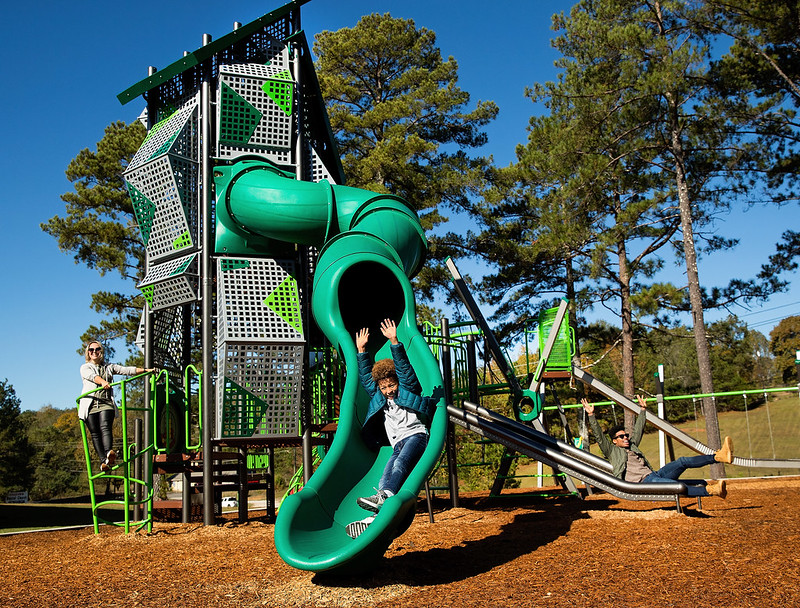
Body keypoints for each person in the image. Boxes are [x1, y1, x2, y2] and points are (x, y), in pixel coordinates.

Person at [346, 319, 435, 539]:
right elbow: (367, 378)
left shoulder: (407, 390)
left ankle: (384, 498)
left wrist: (394, 341)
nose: (388, 391)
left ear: (398, 383)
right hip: (397, 442)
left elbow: (404, 371)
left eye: (391, 385)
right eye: (384, 387)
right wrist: (361, 350)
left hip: (416, 436)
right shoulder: (379, 397)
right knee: (385, 476)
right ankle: (375, 520)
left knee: (401, 465)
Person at [581, 395, 734, 498]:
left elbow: (639, 429)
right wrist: (591, 415)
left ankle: (718, 456)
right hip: (643, 483)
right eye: (621, 436)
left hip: (657, 474)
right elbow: (600, 438)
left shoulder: (632, 446)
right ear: (614, 440)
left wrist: (642, 410)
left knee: (682, 461)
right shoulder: (612, 451)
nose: (625, 438)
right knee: (676, 486)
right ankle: (711, 490)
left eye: (626, 435)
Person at [78, 341, 154, 473]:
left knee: (105, 426)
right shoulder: (85, 367)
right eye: (91, 350)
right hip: (90, 404)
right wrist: (103, 382)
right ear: (88, 353)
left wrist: (146, 370)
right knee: (95, 433)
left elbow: (126, 370)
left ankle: (109, 453)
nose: (94, 352)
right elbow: (92, 377)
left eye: (97, 349)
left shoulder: (109, 367)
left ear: (101, 351)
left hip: (105, 403)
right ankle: (104, 461)